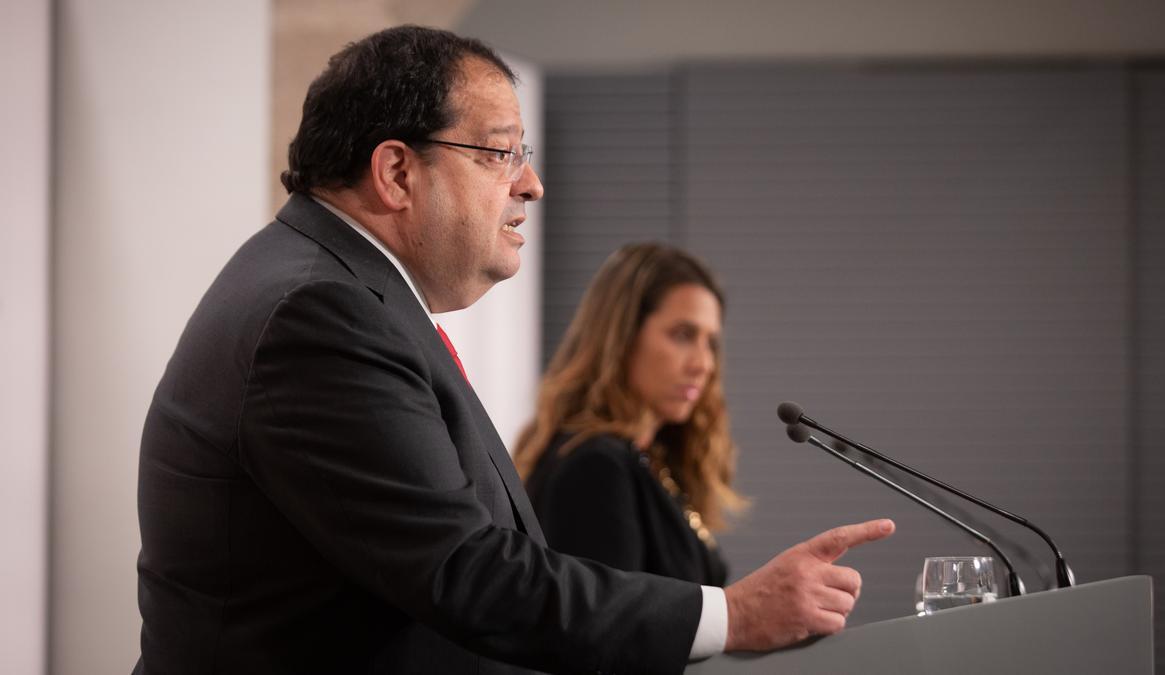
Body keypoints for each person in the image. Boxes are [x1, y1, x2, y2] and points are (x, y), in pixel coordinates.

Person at [133, 25, 895, 675]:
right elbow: (465, 572)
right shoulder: (319, 313)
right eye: (500, 154)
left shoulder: (336, 291)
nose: (530, 184)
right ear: (397, 171)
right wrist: (732, 614)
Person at [515, 243, 742, 587]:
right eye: (683, 335)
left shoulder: (651, 458)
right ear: (621, 336)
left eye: (711, 342)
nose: (704, 364)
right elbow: (610, 631)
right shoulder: (594, 467)